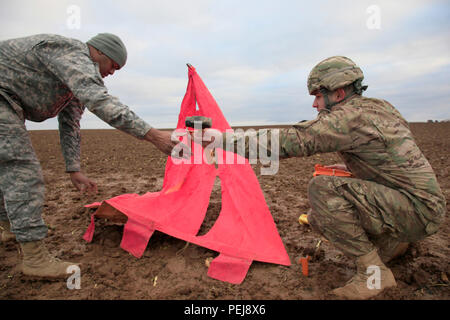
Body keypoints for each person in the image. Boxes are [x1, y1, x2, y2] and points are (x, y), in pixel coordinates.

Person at [200, 56, 446, 299]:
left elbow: (289, 141)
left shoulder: (346, 119)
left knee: (322, 189)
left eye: (318, 96)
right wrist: (357, 166)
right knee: (318, 216)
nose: (315, 105)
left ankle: (375, 273)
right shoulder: (379, 107)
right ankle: (393, 244)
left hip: (417, 211)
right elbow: (392, 155)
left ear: (338, 93)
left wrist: (220, 139)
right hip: (421, 204)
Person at [0, 33, 178, 279]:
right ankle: (35, 259)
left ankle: (9, 228)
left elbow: (70, 123)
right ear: (99, 53)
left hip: (9, 104)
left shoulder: (74, 78)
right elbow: (100, 101)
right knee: (22, 171)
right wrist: (155, 136)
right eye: (113, 66)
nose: (113, 73)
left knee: (5, 168)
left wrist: (74, 169)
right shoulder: (73, 54)